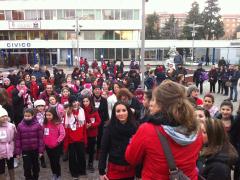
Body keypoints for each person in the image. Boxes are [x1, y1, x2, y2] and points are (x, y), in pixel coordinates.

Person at [125, 80, 202, 179]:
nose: (151, 104)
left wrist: (134, 140)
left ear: (161, 104)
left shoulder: (148, 129)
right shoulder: (196, 127)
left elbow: (131, 158)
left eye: (153, 100)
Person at [98, 102, 137, 180]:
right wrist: (101, 171)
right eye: (118, 111)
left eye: (124, 110)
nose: (121, 113)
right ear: (114, 113)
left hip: (130, 167)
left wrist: (139, 172)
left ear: (128, 112)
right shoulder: (109, 128)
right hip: (114, 167)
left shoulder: (135, 127)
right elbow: (103, 149)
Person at [15, 108, 44, 180]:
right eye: (25, 116)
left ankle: (35, 177)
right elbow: (18, 139)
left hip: (35, 149)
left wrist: (41, 151)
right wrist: (17, 152)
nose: (27, 117)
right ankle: (28, 178)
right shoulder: (20, 126)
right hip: (25, 150)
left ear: (33, 115)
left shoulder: (38, 125)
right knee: (27, 167)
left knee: (35, 166)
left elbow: (41, 139)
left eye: (29, 116)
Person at [63, 96, 87, 179]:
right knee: (72, 157)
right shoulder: (68, 112)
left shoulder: (81, 110)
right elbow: (66, 127)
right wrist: (67, 140)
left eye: (76, 101)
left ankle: (82, 170)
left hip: (80, 136)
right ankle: (74, 172)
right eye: (73, 102)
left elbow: (83, 125)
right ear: (70, 103)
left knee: (81, 154)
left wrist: (84, 137)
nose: (75, 103)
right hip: (71, 138)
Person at [43, 107, 65, 180]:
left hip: (56, 147)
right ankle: (54, 174)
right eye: (47, 115)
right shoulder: (45, 123)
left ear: (54, 115)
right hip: (48, 146)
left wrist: (57, 141)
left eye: (49, 115)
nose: (48, 117)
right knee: (51, 162)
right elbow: (43, 133)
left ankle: (58, 175)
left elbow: (62, 134)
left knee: (56, 162)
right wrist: (44, 142)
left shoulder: (58, 124)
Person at [82, 96, 101, 172]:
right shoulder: (81, 110)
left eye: (87, 101)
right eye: (84, 101)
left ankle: (90, 163)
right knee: (84, 149)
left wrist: (91, 125)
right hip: (83, 133)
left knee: (91, 149)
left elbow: (99, 121)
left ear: (90, 101)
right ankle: (82, 163)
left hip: (92, 133)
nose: (85, 103)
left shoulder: (94, 110)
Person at [92, 85, 109, 160]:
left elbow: (106, 111)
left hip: (101, 120)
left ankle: (98, 150)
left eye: (98, 89)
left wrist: (106, 120)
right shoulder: (90, 99)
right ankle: (91, 150)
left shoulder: (104, 100)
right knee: (92, 136)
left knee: (100, 136)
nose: (97, 91)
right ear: (93, 91)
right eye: (95, 89)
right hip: (92, 120)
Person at [0, 105, 16, 180]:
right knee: (1, 169)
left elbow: (15, 137)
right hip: (1, 151)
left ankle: (13, 178)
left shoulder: (11, 126)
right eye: (2, 116)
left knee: (11, 166)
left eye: (6, 116)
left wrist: (15, 148)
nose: (5, 118)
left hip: (10, 149)